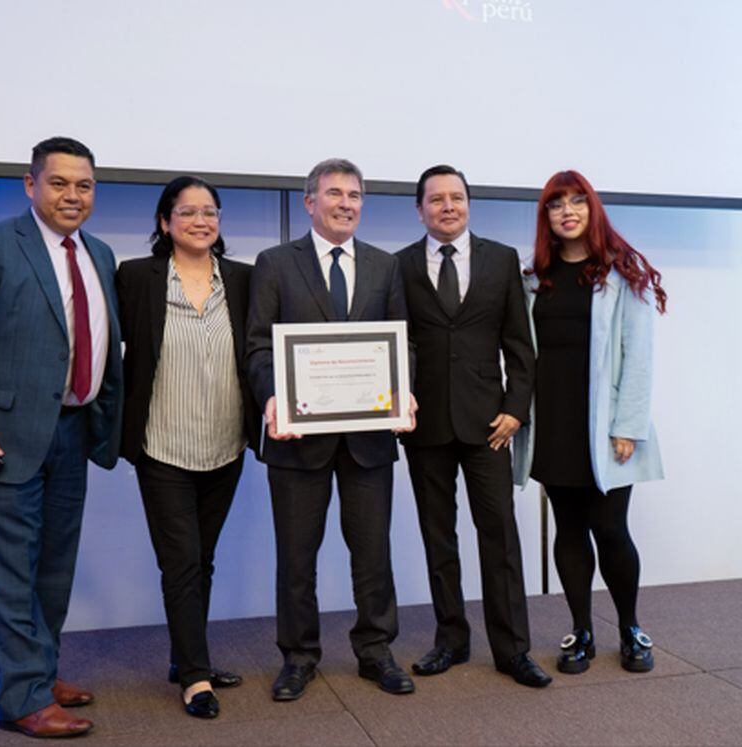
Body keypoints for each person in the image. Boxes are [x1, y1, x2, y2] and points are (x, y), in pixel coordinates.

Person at [0, 137, 122, 738]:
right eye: (60, 182)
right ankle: (21, 698)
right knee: (11, 570)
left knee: (54, 569)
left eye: (84, 185)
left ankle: (39, 672)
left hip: (72, 431)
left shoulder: (102, 253)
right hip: (2, 438)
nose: (73, 195)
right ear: (30, 183)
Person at [246, 158, 416, 701]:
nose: (346, 204)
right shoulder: (274, 264)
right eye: (335, 193)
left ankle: (376, 651)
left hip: (368, 440)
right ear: (309, 201)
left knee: (373, 553)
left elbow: (402, 342)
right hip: (298, 442)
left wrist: (403, 387)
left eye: (356, 195)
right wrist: (274, 399)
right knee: (296, 556)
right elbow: (256, 345)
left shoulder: (385, 267)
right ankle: (298, 657)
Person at [396, 165, 550, 688]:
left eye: (456, 197)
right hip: (424, 425)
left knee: (500, 536)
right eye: (435, 199)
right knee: (438, 537)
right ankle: (451, 640)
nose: (448, 206)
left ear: (468, 205)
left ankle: (512, 649)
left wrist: (516, 407)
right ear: (419, 209)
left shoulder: (502, 260)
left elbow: (520, 346)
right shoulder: (397, 266)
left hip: (491, 423)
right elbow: (398, 344)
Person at [115, 176, 259, 720]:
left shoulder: (243, 280)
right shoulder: (136, 278)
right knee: (179, 561)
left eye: (211, 212)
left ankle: (185, 655)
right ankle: (196, 678)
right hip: (161, 445)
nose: (201, 221)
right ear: (164, 221)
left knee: (202, 558)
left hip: (226, 444)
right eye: (188, 212)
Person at [513, 169, 667, 675]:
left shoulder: (623, 273)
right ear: (547, 217)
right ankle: (580, 630)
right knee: (568, 529)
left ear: (592, 209)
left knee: (611, 528)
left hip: (605, 426)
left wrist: (628, 425)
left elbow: (639, 356)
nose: (568, 212)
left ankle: (630, 628)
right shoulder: (532, 277)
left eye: (578, 201)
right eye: (557, 205)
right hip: (553, 422)